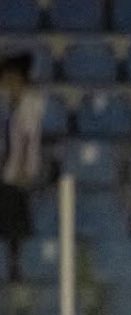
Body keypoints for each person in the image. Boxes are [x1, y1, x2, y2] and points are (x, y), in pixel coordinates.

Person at [0, 52, 45, 282]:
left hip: (21, 171)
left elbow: (29, 138)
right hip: (10, 170)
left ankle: (19, 267)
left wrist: (23, 172)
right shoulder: (13, 104)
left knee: (15, 221)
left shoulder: (30, 104)